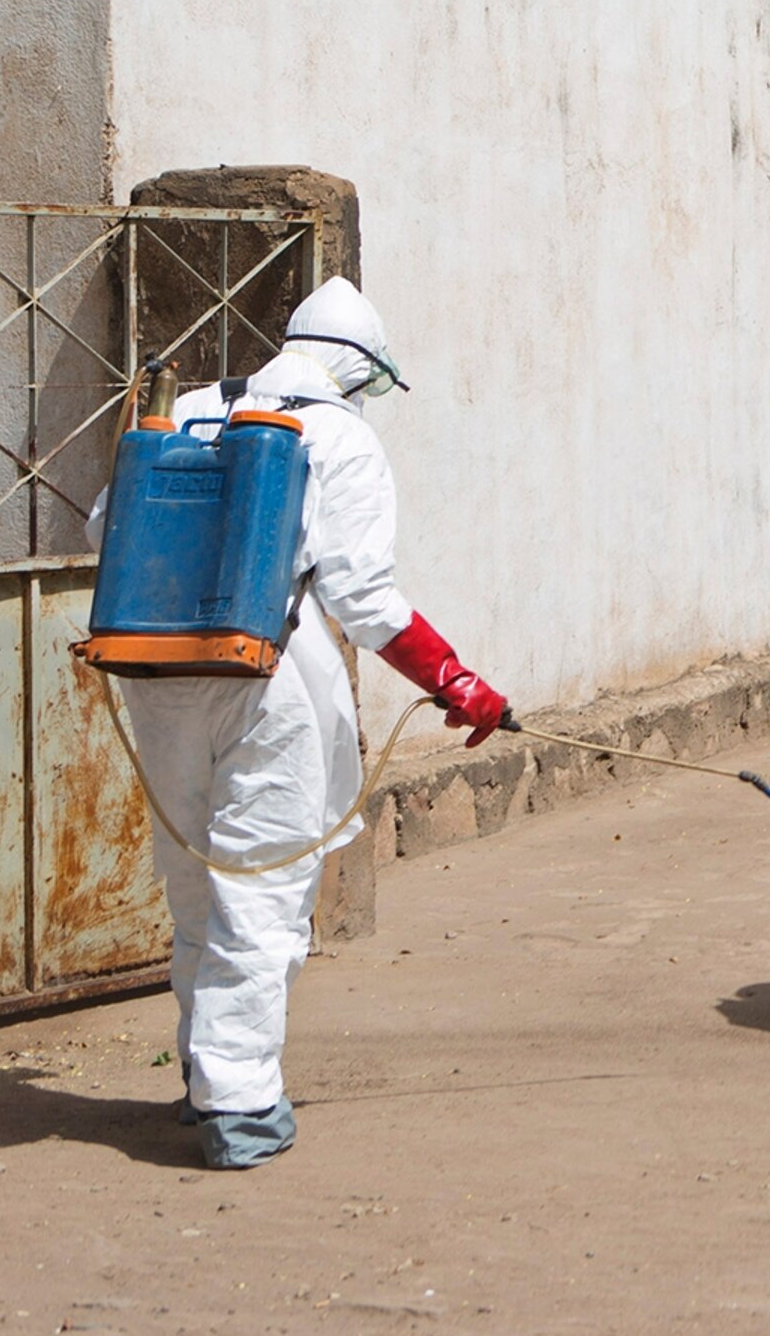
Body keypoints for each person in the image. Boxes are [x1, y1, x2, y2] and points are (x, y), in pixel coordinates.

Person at [98, 279, 512, 1170]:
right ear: (357, 371)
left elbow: (109, 524)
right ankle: (241, 1106)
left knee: (196, 886)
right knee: (260, 890)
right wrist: (458, 682)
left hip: (157, 674)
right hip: (264, 679)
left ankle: (206, 1078)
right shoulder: (342, 437)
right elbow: (363, 598)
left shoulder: (197, 407)